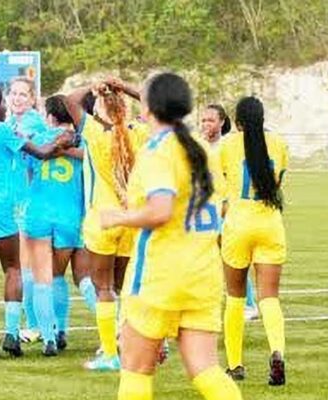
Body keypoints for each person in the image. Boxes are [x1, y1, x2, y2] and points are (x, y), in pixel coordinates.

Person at [101, 72, 242, 400]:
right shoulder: (201, 150)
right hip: (203, 273)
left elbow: (160, 209)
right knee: (206, 369)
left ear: (147, 108)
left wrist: (117, 217)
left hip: (159, 274)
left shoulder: (157, 151)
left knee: (136, 370)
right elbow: (219, 207)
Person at [0, 85, 73, 360]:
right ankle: (11, 334)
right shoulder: (1, 131)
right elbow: (42, 153)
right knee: (13, 268)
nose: (6, 106)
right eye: (2, 102)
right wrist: (62, 142)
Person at [65, 78, 149, 371]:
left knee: (103, 287)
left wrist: (95, 85)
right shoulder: (138, 132)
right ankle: (130, 344)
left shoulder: (94, 131)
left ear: (99, 109)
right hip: (131, 218)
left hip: (102, 218)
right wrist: (123, 86)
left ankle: (111, 354)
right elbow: (154, 105)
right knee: (126, 287)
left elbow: (70, 100)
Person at [22, 94, 97, 355]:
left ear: (49, 116)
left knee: (44, 277)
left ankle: (49, 338)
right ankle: (62, 329)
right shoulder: (85, 142)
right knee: (70, 276)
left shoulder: (39, 140)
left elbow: (29, 173)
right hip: (71, 216)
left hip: (38, 214)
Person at [221, 96, 288, 386]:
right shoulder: (280, 144)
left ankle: (235, 365)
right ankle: (277, 351)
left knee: (235, 297)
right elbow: (277, 183)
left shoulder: (227, 145)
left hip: (238, 225)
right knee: (269, 297)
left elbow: (223, 185)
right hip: (270, 223)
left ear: (237, 122)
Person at [201, 104, 259, 321]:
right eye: (203, 120)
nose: (206, 124)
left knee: (232, 258)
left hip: (226, 208)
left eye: (210, 120)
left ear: (222, 122)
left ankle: (249, 304)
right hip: (206, 209)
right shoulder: (199, 146)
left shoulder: (229, 145)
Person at [5, 77, 49, 343]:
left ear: (33, 99)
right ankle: (40, 325)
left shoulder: (32, 124)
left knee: (28, 265)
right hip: (15, 199)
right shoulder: (11, 123)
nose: (17, 98)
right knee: (25, 265)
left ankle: (36, 325)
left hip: (29, 200)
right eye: (13, 93)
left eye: (23, 94)